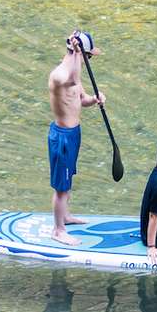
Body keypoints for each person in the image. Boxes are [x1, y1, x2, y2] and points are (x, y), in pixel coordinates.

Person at [47, 30, 104, 244]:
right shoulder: (61, 75)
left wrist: (95, 99)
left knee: (68, 181)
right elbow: (73, 80)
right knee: (61, 187)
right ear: (80, 55)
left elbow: (82, 98)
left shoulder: (74, 75)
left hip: (74, 134)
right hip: (62, 137)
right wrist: (79, 54)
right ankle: (58, 230)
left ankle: (66, 216)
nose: (90, 60)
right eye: (88, 57)